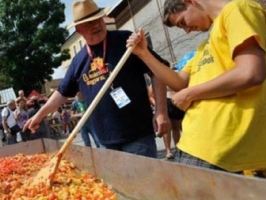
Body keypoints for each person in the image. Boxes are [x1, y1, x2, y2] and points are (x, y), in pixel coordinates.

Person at [126, 0, 266, 172]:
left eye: (183, 22)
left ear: (190, 2)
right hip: (196, 144)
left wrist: (190, 94)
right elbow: (178, 82)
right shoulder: (206, 44)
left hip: (221, 146)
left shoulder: (239, 9)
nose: (187, 30)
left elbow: (250, 72)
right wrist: (144, 54)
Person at [24, 0, 170, 158]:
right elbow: (61, 93)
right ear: (79, 30)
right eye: (88, 24)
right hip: (104, 141)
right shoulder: (78, 61)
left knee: (145, 181)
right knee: (113, 183)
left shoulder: (126, 41)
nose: (95, 25)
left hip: (138, 135)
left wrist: (161, 111)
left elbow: (157, 71)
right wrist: (39, 115)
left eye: (98, 19)